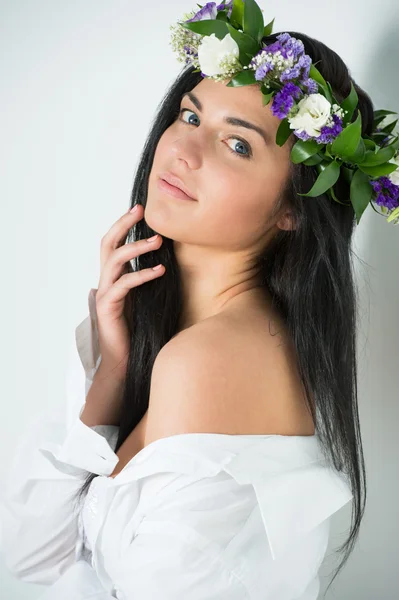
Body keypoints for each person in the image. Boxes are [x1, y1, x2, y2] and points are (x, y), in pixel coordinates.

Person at [1, 1, 398, 598]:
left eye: (237, 146)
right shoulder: (175, 339)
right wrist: (109, 373)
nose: (184, 151)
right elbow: (32, 553)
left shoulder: (209, 362)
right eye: (190, 115)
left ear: (293, 208)